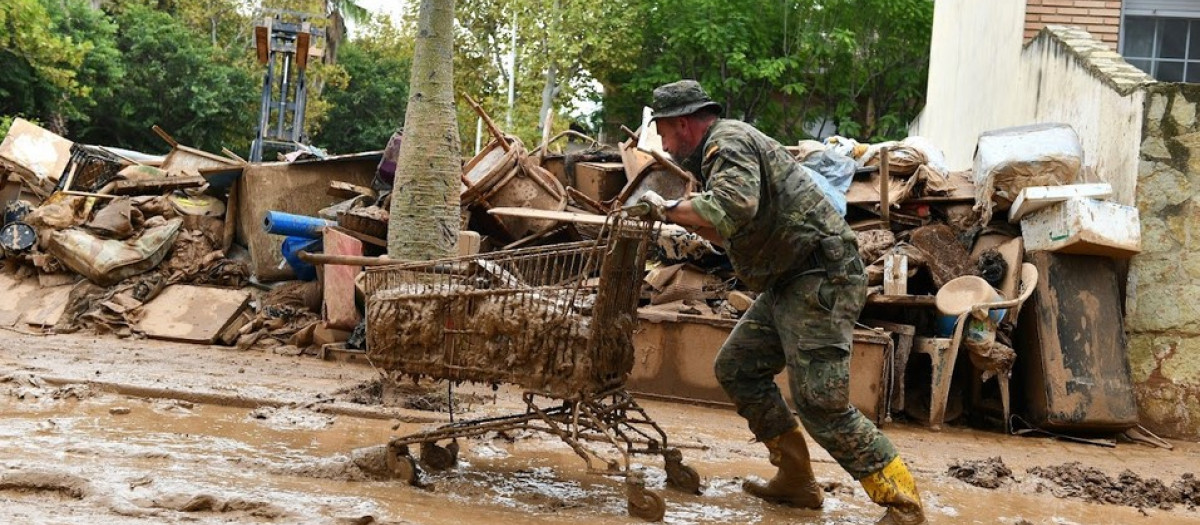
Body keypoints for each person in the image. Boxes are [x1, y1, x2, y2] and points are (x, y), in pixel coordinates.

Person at [634, 79, 926, 525]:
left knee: (821, 402)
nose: (664, 145)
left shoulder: (726, 143)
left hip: (818, 277)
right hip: (790, 280)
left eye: (664, 132)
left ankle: (903, 504)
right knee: (738, 367)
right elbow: (722, 226)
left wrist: (665, 208)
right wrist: (684, 214)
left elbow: (733, 208)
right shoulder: (721, 150)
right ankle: (795, 480)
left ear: (683, 124)